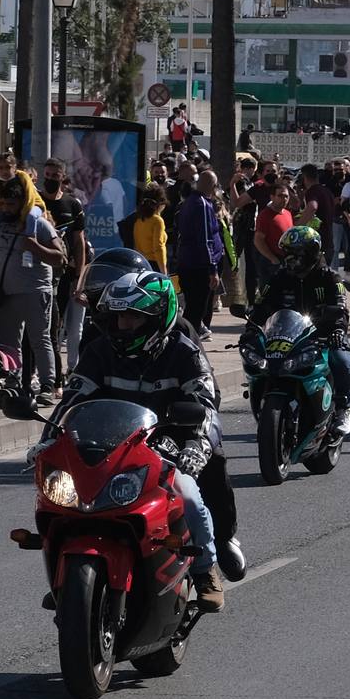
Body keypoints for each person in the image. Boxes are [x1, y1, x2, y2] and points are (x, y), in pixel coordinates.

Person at [34, 271, 226, 611]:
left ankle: (206, 568)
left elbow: (207, 408)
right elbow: (71, 401)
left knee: (191, 498)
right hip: (107, 447)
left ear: (157, 318)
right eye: (118, 316)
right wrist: (47, 441)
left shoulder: (186, 354)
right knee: (60, 501)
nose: (122, 324)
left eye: (133, 317)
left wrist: (197, 446)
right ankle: (66, 577)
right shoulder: (99, 352)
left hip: (165, 449)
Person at [246, 226, 350, 436]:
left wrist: (338, 330)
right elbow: (262, 305)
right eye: (287, 253)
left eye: (296, 254)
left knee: (342, 361)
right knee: (257, 364)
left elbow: (341, 309)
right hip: (285, 336)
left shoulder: (330, 277)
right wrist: (250, 327)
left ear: (311, 253)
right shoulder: (279, 277)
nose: (290, 259)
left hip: (323, 336)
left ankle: (343, 408)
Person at [0, 175, 64, 405]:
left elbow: (60, 258)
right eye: (3, 203)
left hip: (35, 291)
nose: (5, 208)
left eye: (10, 204)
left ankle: (47, 385)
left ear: (22, 203)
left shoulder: (39, 224)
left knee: (40, 339)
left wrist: (35, 246)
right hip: (7, 292)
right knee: (9, 341)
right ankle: (13, 382)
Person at [39, 159, 88, 375]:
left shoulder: (73, 204)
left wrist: (80, 276)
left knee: (74, 328)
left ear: (63, 177)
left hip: (68, 273)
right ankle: (50, 371)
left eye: (54, 175)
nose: (50, 179)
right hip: (44, 273)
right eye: (47, 175)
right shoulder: (37, 203)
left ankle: (74, 369)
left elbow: (79, 242)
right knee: (50, 327)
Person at [176, 169, 225, 339]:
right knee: (197, 310)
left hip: (189, 263)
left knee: (194, 308)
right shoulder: (202, 204)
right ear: (212, 186)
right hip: (199, 266)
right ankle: (189, 343)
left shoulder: (189, 202)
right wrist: (212, 269)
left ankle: (189, 341)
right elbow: (205, 239)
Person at [252, 180, 295, 289]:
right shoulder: (265, 215)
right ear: (272, 197)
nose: (284, 199)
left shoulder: (287, 213)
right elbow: (258, 240)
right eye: (280, 196)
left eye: (286, 196)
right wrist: (272, 258)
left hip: (285, 261)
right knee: (269, 295)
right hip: (270, 263)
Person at [133, 184, 168, 273]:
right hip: (156, 265)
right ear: (160, 203)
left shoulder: (139, 220)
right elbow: (158, 247)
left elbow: (137, 246)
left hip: (143, 264)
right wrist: (164, 271)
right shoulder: (157, 221)